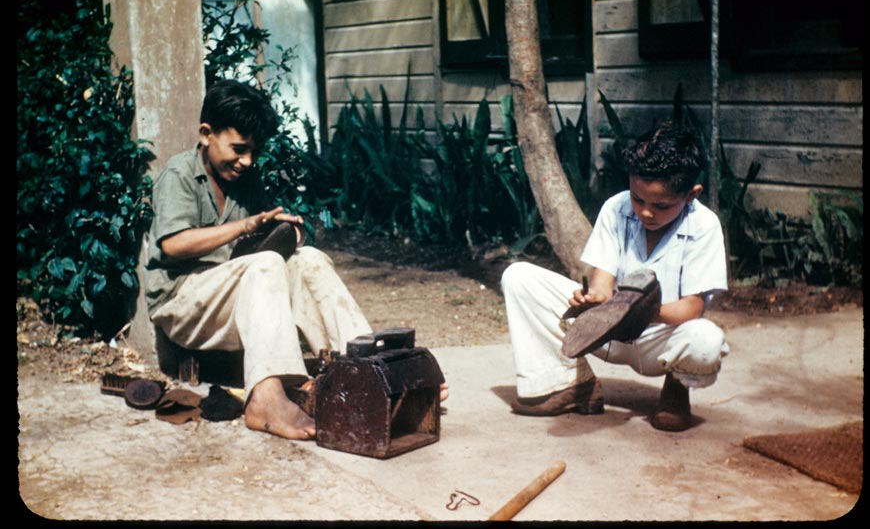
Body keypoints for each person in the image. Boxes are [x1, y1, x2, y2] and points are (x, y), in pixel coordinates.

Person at [144, 79, 448, 441]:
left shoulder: (244, 178)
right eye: (239, 149)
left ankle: (370, 369)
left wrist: (284, 233)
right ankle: (266, 399)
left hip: (227, 296)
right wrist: (246, 227)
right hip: (183, 304)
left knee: (310, 259)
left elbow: (251, 248)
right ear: (206, 133)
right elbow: (175, 245)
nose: (247, 161)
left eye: (254, 151)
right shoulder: (179, 175)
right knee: (267, 263)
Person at [501, 121, 729, 432]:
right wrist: (591, 302)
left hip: (660, 338)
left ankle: (676, 388)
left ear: (691, 195)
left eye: (661, 205)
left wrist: (642, 311)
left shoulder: (705, 226)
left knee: (706, 340)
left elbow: (692, 308)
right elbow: (601, 285)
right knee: (519, 277)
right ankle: (571, 384)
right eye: (639, 199)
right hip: (608, 330)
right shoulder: (615, 208)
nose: (646, 212)